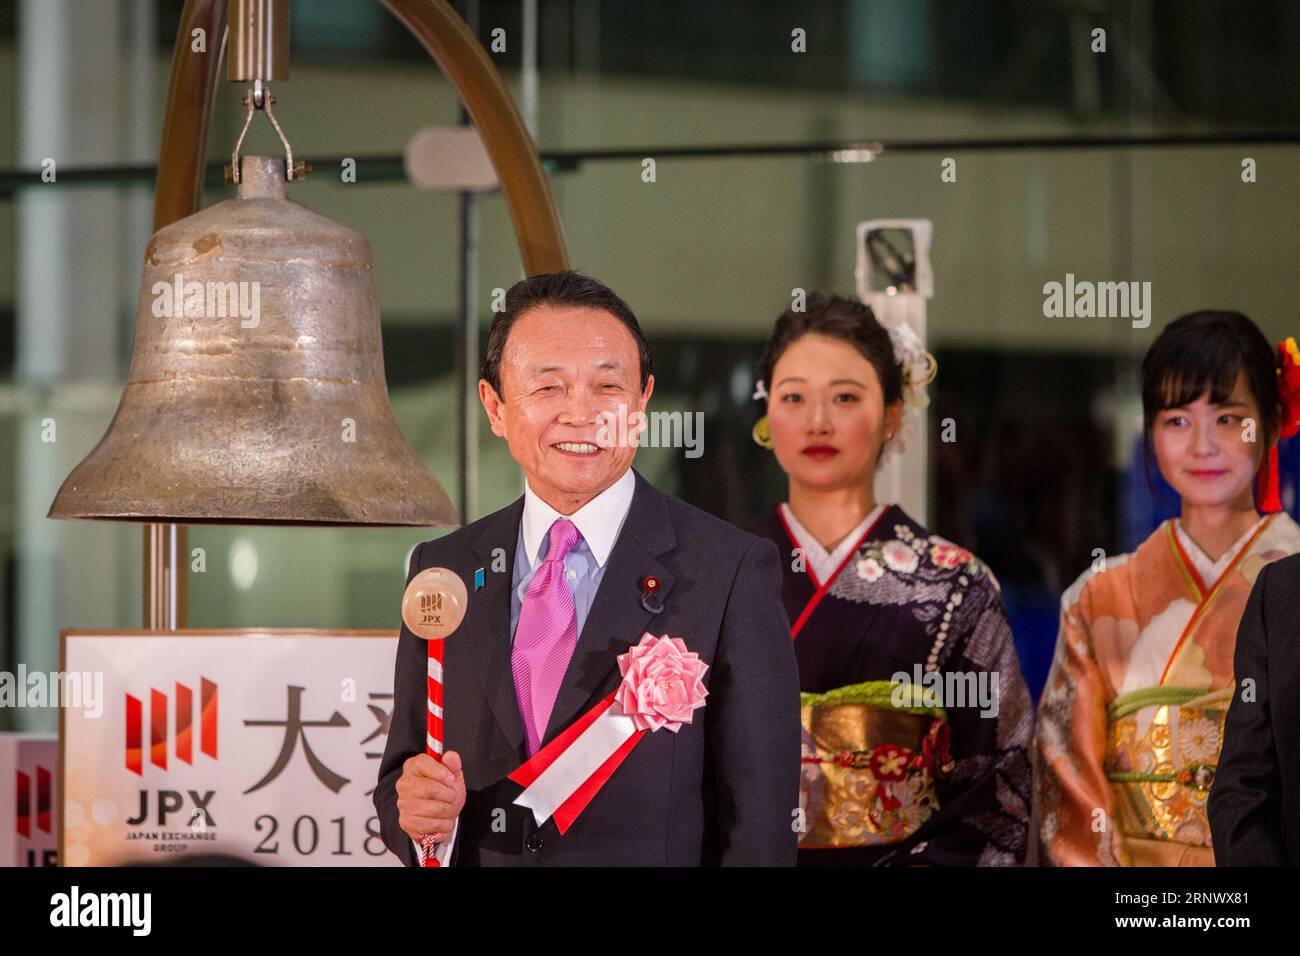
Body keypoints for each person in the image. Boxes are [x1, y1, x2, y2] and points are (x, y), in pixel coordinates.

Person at [374, 271, 801, 866]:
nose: (582, 414)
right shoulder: (444, 568)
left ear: (643, 402)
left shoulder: (727, 570)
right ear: (495, 407)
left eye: (608, 387)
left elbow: (760, 828)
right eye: (548, 388)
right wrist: (422, 820)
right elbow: (406, 780)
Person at [746, 293, 1033, 866]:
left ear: (893, 414)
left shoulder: (956, 586)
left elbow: (998, 783)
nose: (818, 421)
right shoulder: (718, 572)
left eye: (846, 397)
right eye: (794, 397)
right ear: (767, 415)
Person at [1036, 311, 1300, 866]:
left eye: (1229, 419)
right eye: (1177, 420)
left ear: (1273, 424)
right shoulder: (1098, 596)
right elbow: (1069, 779)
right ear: (1149, 432)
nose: (1202, 445)